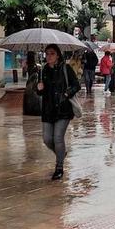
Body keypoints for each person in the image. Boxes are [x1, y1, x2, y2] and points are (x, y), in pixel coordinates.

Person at [35, 44, 80, 180]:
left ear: (58, 55)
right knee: (47, 139)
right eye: (47, 53)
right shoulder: (43, 71)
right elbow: (40, 92)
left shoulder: (66, 69)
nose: (49, 56)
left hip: (63, 109)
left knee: (58, 138)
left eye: (52, 53)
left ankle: (59, 167)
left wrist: (66, 94)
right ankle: (61, 153)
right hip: (48, 110)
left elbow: (76, 85)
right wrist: (39, 88)